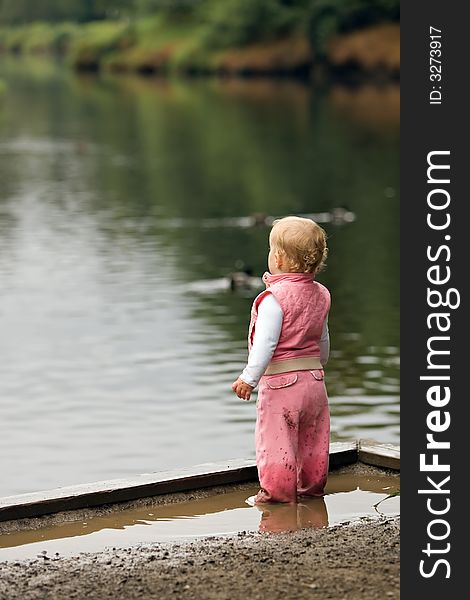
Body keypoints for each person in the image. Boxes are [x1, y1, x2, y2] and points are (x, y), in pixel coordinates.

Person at [232, 216, 331, 503]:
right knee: (313, 438)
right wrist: (317, 365)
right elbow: (322, 339)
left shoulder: (273, 298)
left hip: (280, 385)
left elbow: (266, 343)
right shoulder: (321, 294)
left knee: (276, 439)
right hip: (314, 381)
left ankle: (277, 494)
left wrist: (248, 378)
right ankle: (311, 489)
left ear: (279, 258)